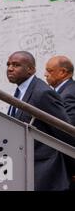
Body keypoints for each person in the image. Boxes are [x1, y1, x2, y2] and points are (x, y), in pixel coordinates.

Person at [6, 51, 71, 190]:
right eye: (8, 64)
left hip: (46, 172)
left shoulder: (42, 93)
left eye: (16, 65)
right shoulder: (20, 91)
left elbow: (65, 133)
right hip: (26, 169)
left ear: (30, 69)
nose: (10, 68)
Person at [44, 55, 75, 190]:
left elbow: (68, 128)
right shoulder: (64, 91)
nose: (45, 74)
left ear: (62, 72)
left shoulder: (69, 93)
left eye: (49, 71)